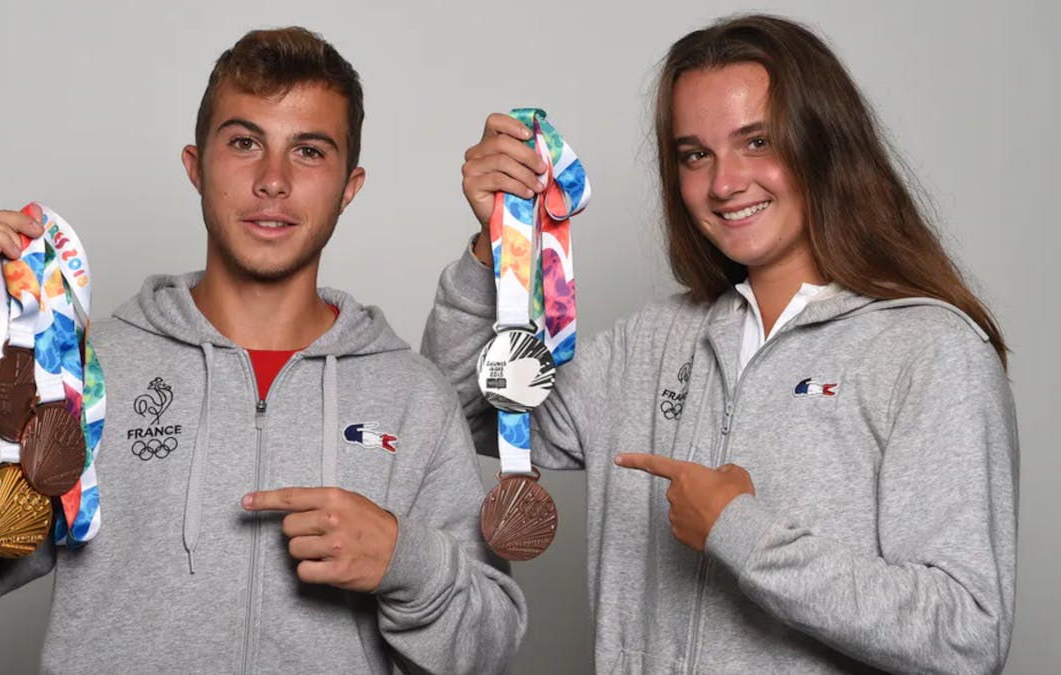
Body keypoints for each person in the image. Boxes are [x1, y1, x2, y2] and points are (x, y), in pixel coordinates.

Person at [0, 27, 525, 674]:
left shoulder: (413, 396)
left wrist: (402, 560)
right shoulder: (87, 365)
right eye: (245, 143)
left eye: (308, 151)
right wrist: (7, 354)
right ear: (195, 166)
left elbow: (490, 645)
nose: (272, 180)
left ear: (348, 186)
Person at [423, 14, 1017, 674]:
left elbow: (966, 635)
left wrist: (742, 531)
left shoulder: (928, 350)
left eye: (756, 141)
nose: (724, 183)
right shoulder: (650, 345)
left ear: (823, 144)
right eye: (694, 154)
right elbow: (450, 415)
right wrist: (493, 247)